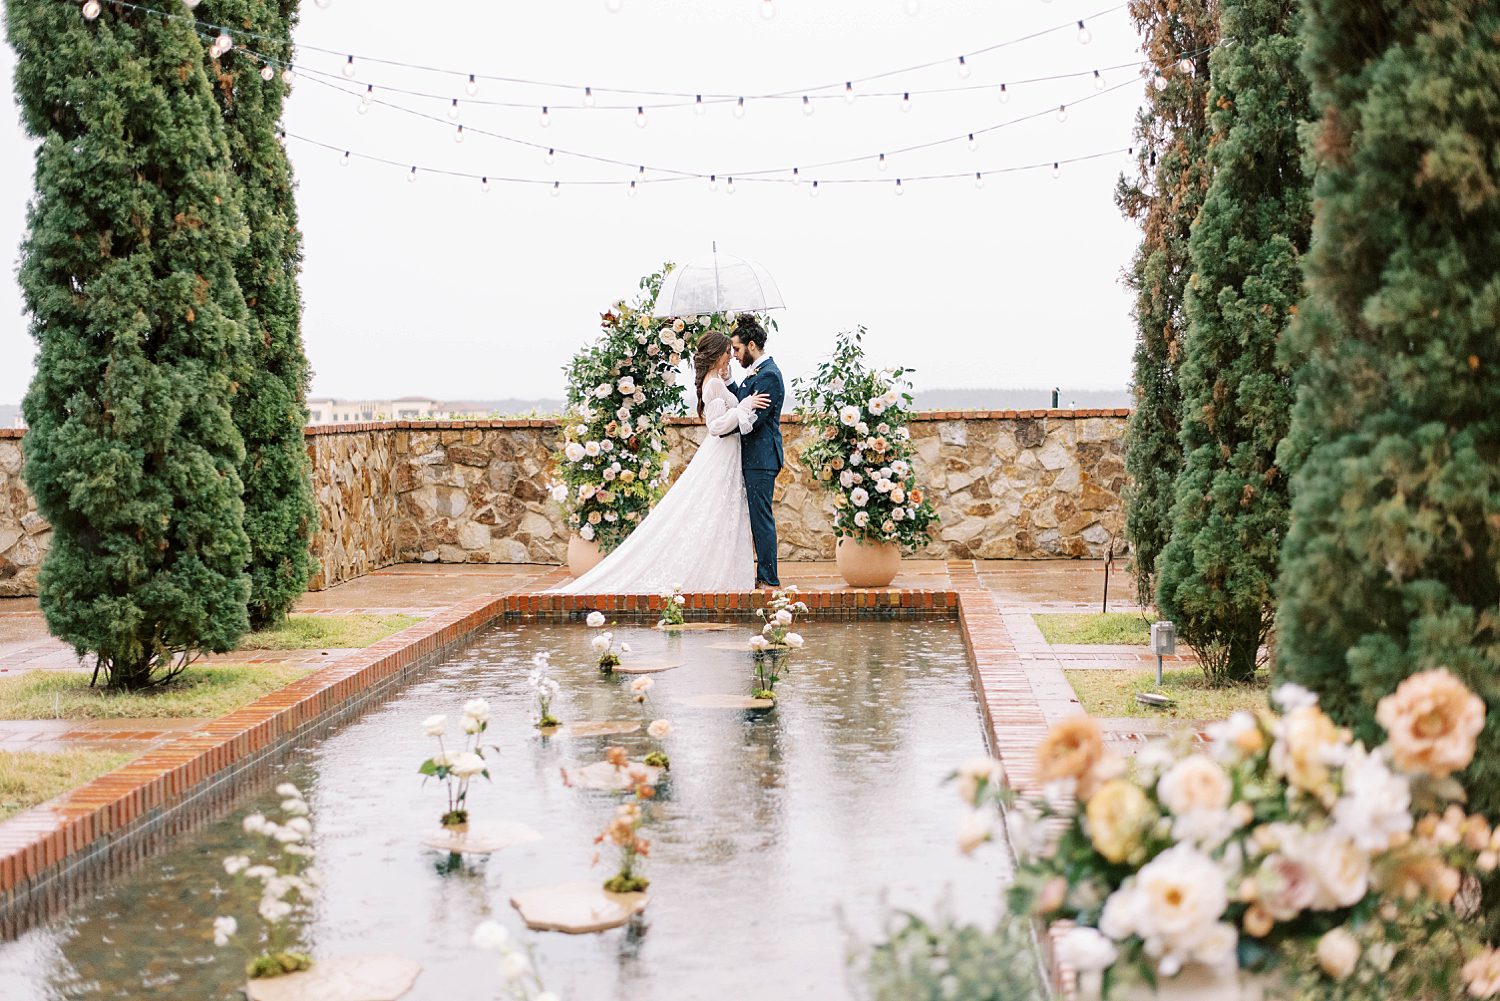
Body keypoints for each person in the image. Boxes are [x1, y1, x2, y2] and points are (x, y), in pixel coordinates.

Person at [555, 329, 769, 594]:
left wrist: (731, 387)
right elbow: (715, 426)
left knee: (722, 512)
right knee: (715, 510)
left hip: (726, 453)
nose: (730, 358)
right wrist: (744, 406)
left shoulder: (716, 380)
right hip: (722, 451)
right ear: (717, 355)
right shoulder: (712, 383)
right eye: (727, 353)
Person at [725, 314, 785, 588]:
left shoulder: (770, 375)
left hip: (762, 458)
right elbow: (743, 402)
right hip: (752, 458)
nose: (735, 355)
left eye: (737, 349)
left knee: (761, 517)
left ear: (751, 345)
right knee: (754, 516)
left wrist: (725, 422)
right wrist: (727, 381)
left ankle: (769, 579)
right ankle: (761, 575)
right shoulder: (755, 374)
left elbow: (753, 420)